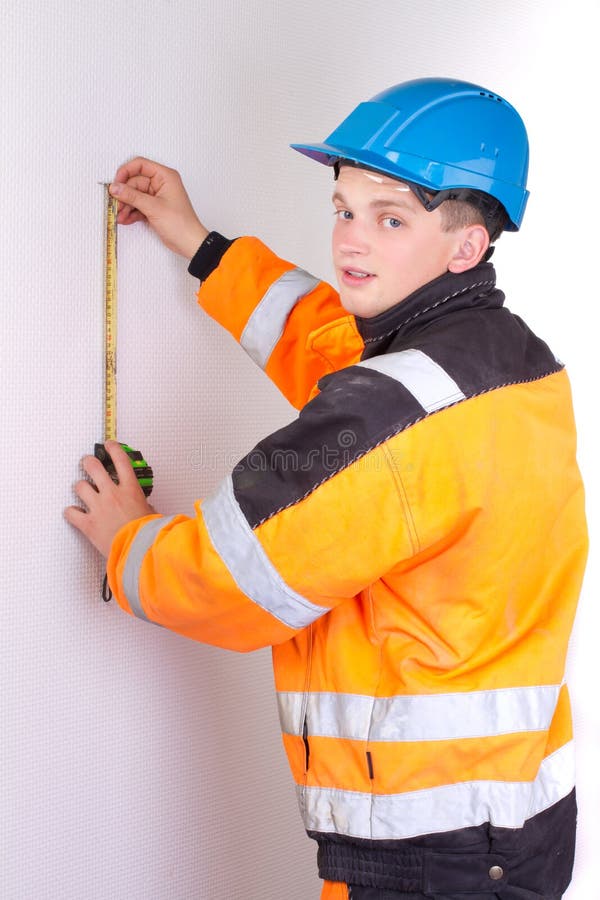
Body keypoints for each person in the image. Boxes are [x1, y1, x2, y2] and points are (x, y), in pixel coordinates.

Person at [65, 77, 588, 900]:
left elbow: (232, 578)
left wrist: (127, 540)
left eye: (390, 219)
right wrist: (200, 244)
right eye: (344, 209)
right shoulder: (507, 359)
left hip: (428, 856)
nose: (352, 241)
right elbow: (327, 342)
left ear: (467, 246)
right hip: (520, 822)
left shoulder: (395, 409)